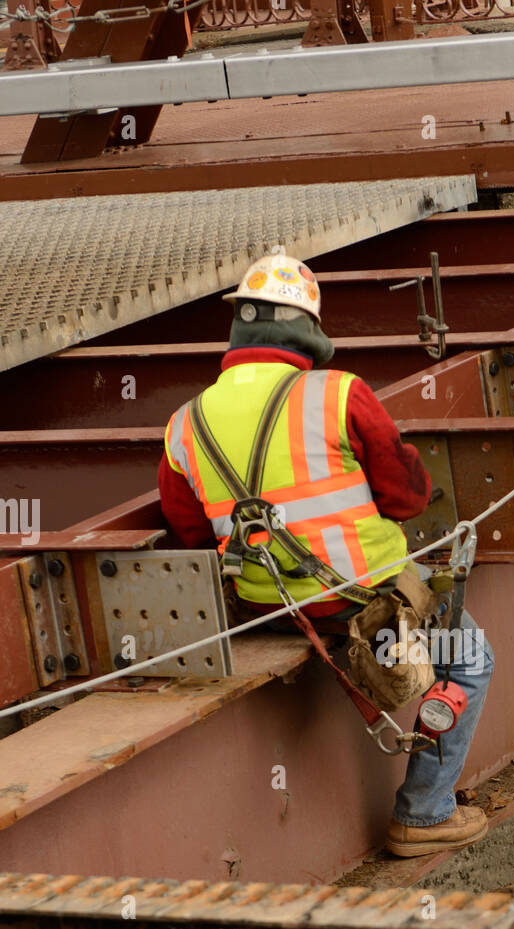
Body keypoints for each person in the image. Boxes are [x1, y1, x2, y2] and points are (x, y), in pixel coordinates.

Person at [158, 250, 493, 857]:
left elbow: (186, 533)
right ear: (309, 329)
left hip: (267, 606)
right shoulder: (338, 394)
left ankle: (403, 748)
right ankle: (424, 813)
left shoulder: (186, 421)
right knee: (470, 659)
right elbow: (408, 498)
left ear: (240, 328)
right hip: (360, 600)